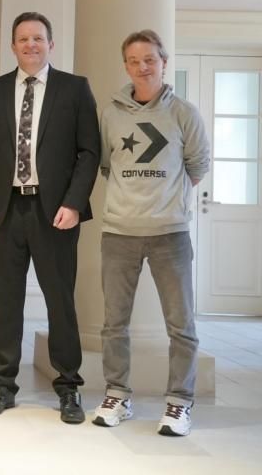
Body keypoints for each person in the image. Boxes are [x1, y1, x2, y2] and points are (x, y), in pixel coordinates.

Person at [0, 11, 100, 423]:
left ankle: (68, 386)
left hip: (56, 213)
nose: (31, 45)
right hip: (5, 212)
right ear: (13, 46)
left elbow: (89, 152)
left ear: (50, 44)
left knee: (60, 301)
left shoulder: (74, 89)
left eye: (38, 38)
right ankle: (2, 385)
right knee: (6, 302)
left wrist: (74, 203)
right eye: (23, 39)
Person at [93, 29, 209, 436]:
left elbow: (197, 167)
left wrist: (164, 202)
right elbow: (107, 166)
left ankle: (179, 402)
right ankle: (117, 395)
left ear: (163, 62)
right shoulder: (111, 114)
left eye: (149, 60)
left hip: (170, 235)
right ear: (126, 66)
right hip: (118, 233)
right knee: (114, 323)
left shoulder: (184, 113)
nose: (142, 67)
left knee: (181, 325)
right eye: (134, 61)